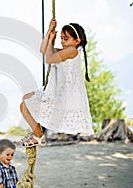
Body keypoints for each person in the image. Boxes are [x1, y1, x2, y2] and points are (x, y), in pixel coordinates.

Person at [20, 19, 94, 147]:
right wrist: (49, 32)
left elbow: (49, 58)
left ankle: (38, 136)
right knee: (25, 100)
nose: (62, 42)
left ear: (77, 41)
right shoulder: (65, 51)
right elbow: (43, 49)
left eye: (66, 39)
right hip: (55, 90)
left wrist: (51, 41)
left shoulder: (72, 51)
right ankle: (38, 134)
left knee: (24, 104)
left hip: (62, 95)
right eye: (61, 39)